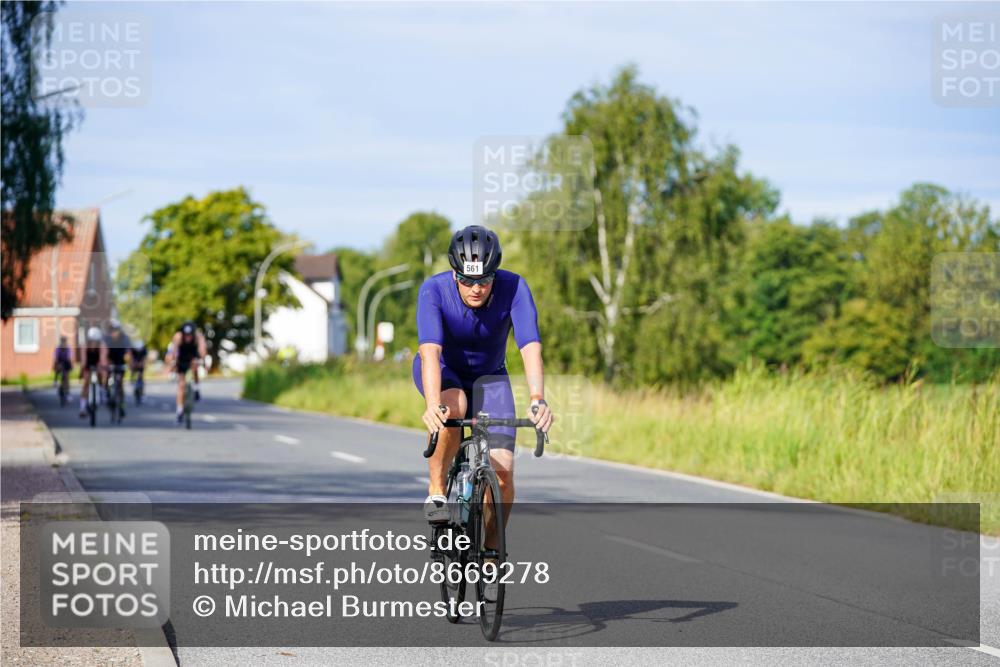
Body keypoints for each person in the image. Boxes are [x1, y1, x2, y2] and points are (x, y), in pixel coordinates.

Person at [415, 225, 555, 529]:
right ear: (455, 274)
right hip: (446, 371)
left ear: (495, 274)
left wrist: (537, 399)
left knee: (503, 477)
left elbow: (530, 347)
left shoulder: (514, 287)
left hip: (491, 378)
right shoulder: (433, 290)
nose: (476, 288)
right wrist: (433, 404)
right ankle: (437, 489)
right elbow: (430, 353)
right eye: (467, 280)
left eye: (485, 280)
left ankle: (492, 547)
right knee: (454, 405)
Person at [165, 321, 207, 423]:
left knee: (195, 366)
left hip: (193, 355)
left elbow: (202, 351)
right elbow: (173, 352)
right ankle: (179, 410)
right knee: (181, 385)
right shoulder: (178, 337)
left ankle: (196, 388)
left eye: (190, 335)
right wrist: (172, 363)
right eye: (186, 335)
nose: (188, 337)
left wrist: (202, 360)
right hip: (182, 358)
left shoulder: (198, 337)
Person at [79, 326, 107, 417]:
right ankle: (82, 408)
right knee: (86, 384)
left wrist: (101, 366)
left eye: (95, 341)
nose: (93, 343)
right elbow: (83, 360)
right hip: (88, 364)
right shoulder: (84, 346)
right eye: (91, 340)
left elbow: (103, 359)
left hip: (98, 364)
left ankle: (102, 391)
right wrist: (82, 370)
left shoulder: (102, 345)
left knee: (101, 375)